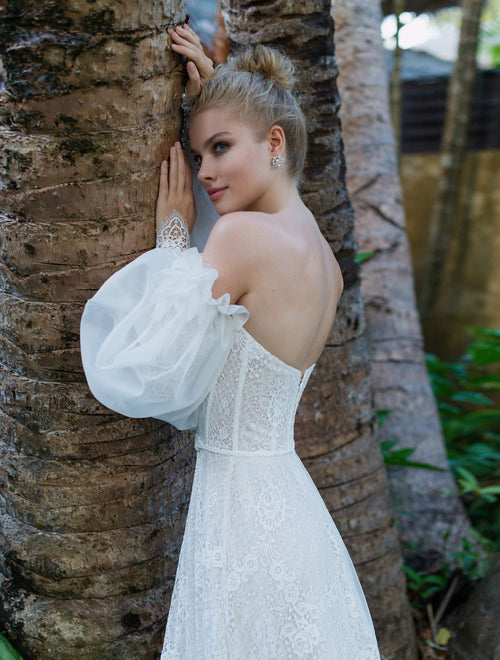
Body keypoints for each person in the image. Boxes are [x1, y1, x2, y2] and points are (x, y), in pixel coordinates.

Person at [80, 23, 380, 660]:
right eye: (198, 155)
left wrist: (171, 242)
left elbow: (152, 371)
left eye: (220, 148)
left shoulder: (241, 240)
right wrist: (225, 98)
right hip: (291, 509)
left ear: (275, 140)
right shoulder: (321, 258)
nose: (206, 172)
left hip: (240, 518)